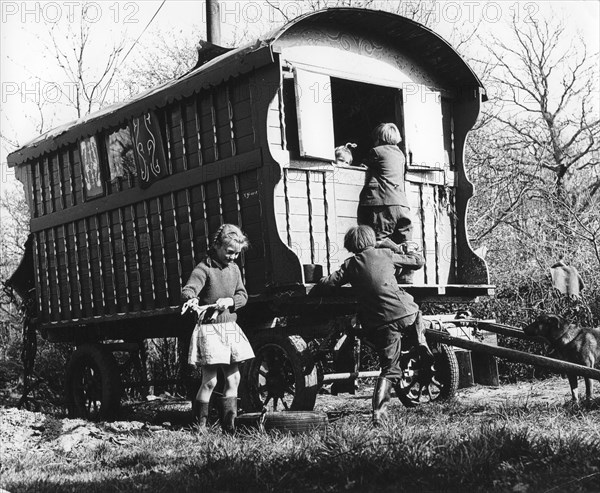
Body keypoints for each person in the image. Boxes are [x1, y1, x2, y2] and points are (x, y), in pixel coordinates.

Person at [314, 225, 433, 426]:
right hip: (405, 313)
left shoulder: (351, 264)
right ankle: (419, 341)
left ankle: (379, 415)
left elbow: (329, 283)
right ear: (372, 240)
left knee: (388, 369)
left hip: (380, 322)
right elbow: (418, 261)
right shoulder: (386, 254)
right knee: (416, 310)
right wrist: (396, 248)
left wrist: (318, 279)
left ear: (350, 245)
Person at [181, 224, 254, 432]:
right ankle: (200, 427)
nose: (233, 257)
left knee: (234, 377)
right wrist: (191, 299)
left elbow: (243, 296)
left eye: (237, 254)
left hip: (230, 327)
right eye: (229, 252)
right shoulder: (204, 268)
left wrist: (230, 302)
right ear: (217, 246)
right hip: (211, 330)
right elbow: (189, 289)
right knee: (210, 381)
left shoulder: (234, 270)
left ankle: (229, 426)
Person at [356, 123, 413, 246]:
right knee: (404, 241)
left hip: (384, 202)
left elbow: (363, 166)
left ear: (379, 138)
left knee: (379, 240)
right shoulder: (401, 155)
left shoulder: (377, 152)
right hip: (402, 204)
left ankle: (392, 252)